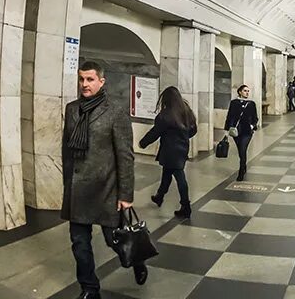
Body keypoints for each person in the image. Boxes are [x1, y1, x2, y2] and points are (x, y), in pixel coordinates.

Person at [62, 61, 140, 297]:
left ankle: (137, 259)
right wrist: (67, 182)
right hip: (77, 189)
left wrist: (126, 194)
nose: (84, 84)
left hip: (106, 188)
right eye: (82, 79)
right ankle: (89, 288)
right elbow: (66, 148)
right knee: (79, 243)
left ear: (101, 81)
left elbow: (125, 156)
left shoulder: (115, 111)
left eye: (90, 80)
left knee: (113, 240)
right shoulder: (72, 109)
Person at [139, 86, 197, 219]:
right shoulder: (186, 111)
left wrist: (143, 143)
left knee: (179, 176)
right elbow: (194, 129)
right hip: (182, 149)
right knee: (167, 172)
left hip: (170, 150)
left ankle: (186, 206)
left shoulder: (165, 115)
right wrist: (183, 138)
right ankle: (160, 196)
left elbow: (155, 132)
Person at [225, 84, 260, 181]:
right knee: (240, 151)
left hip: (247, 132)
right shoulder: (234, 103)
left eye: (248, 91)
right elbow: (230, 116)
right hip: (236, 131)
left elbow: (255, 117)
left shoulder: (252, 104)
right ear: (240, 92)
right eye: (245, 91)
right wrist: (227, 129)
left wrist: (252, 126)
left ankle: (241, 172)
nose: (247, 92)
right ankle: (243, 165)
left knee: (243, 149)